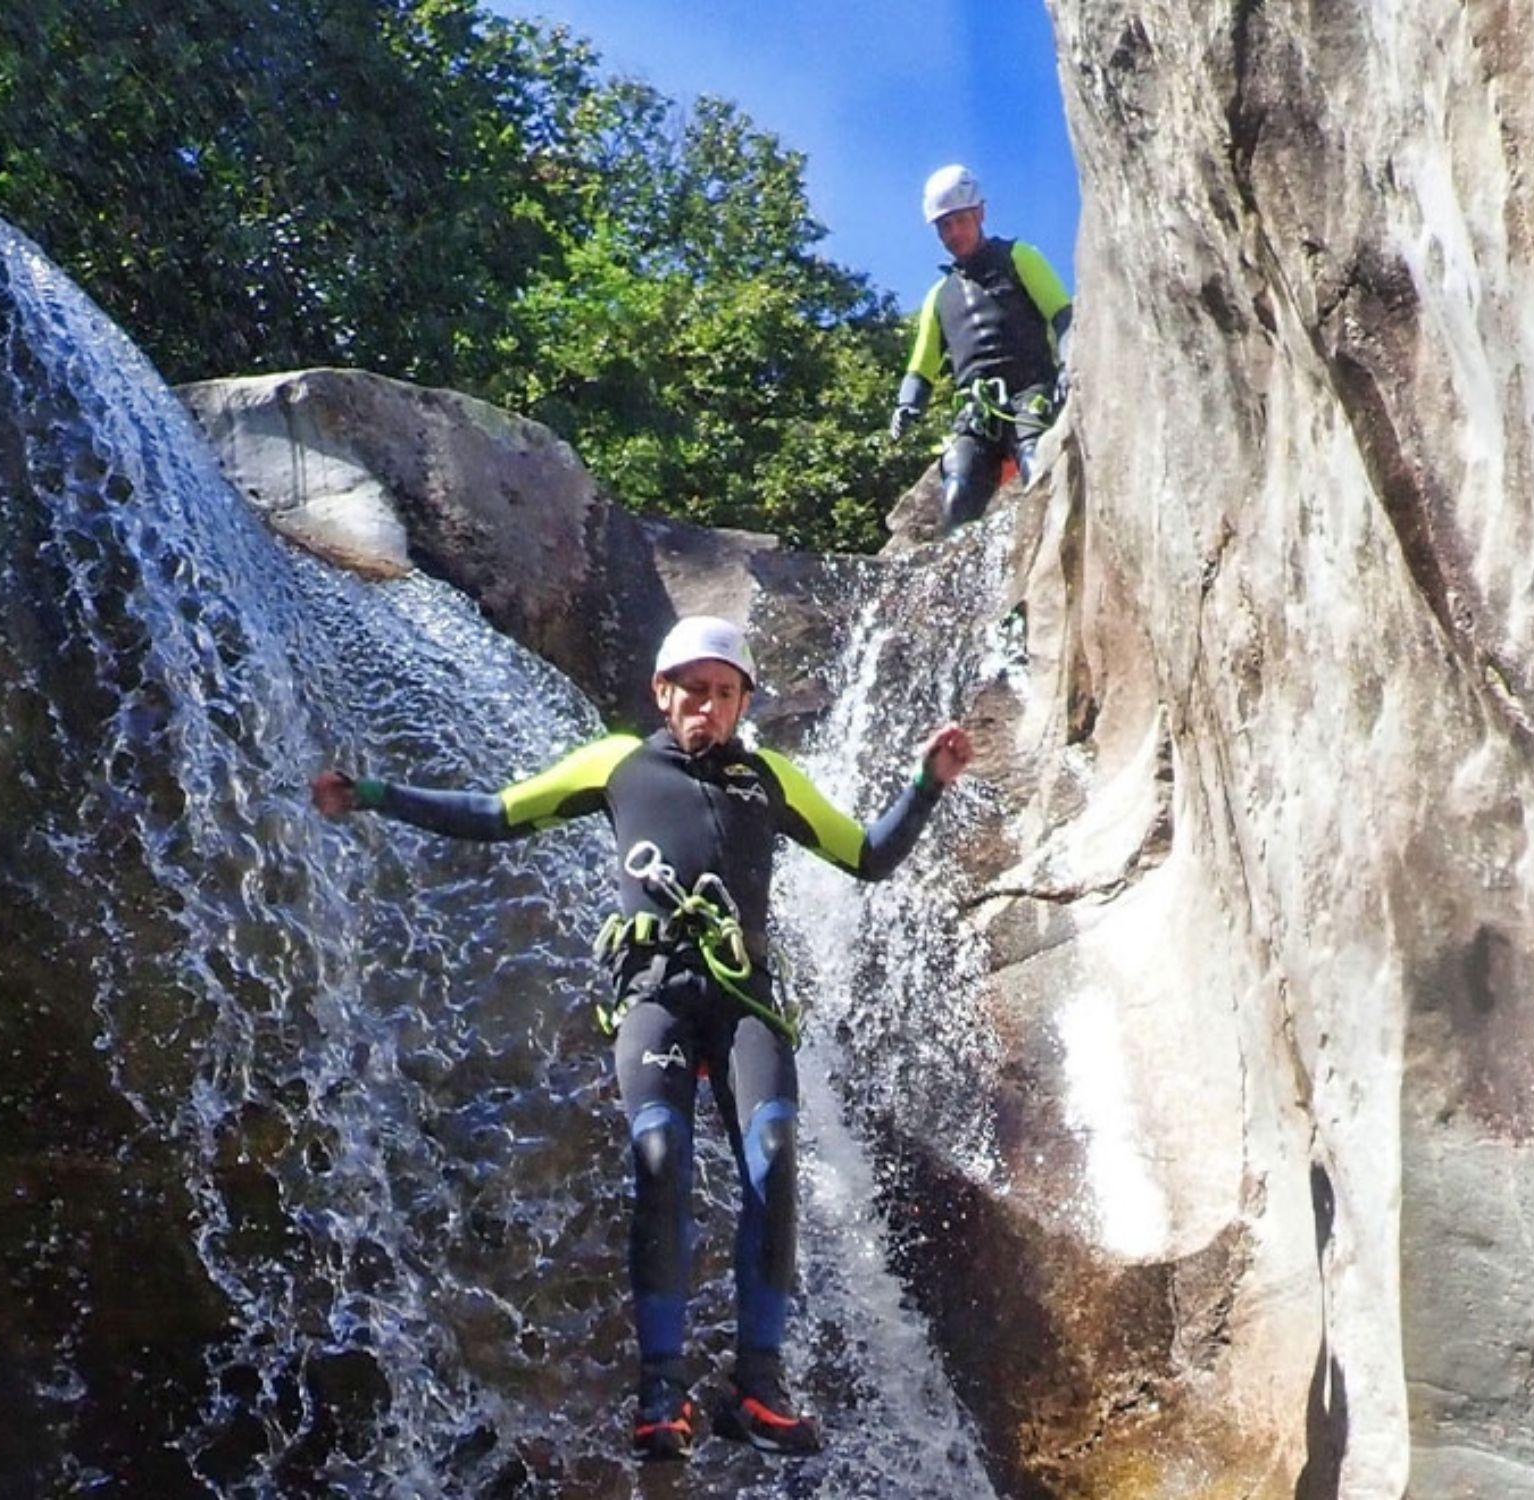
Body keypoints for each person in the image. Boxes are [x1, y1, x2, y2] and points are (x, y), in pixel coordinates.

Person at [312, 615, 973, 1462]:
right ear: (663, 693)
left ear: (742, 704)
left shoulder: (768, 778)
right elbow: (495, 813)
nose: (708, 706)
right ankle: (661, 1394)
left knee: (771, 1153)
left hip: (744, 1003)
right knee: (660, 1159)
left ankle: (757, 1387)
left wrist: (926, 782)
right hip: (653, 996)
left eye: (725, 693)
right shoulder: (618, 763)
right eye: (693, 690)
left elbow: (867, 855)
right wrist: (374, 796)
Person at [890, 163, 1074, 533]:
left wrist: (1070, 362)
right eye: (945, 225)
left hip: (1030, 390)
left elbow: (1062, 314)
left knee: (1036, 461)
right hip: (976, 410)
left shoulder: (1019, 257)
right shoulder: (939, 297)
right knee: (958, 492)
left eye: (960, 220)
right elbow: (921, 366)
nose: (953, 232)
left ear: (980, 213)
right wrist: (907, 404)